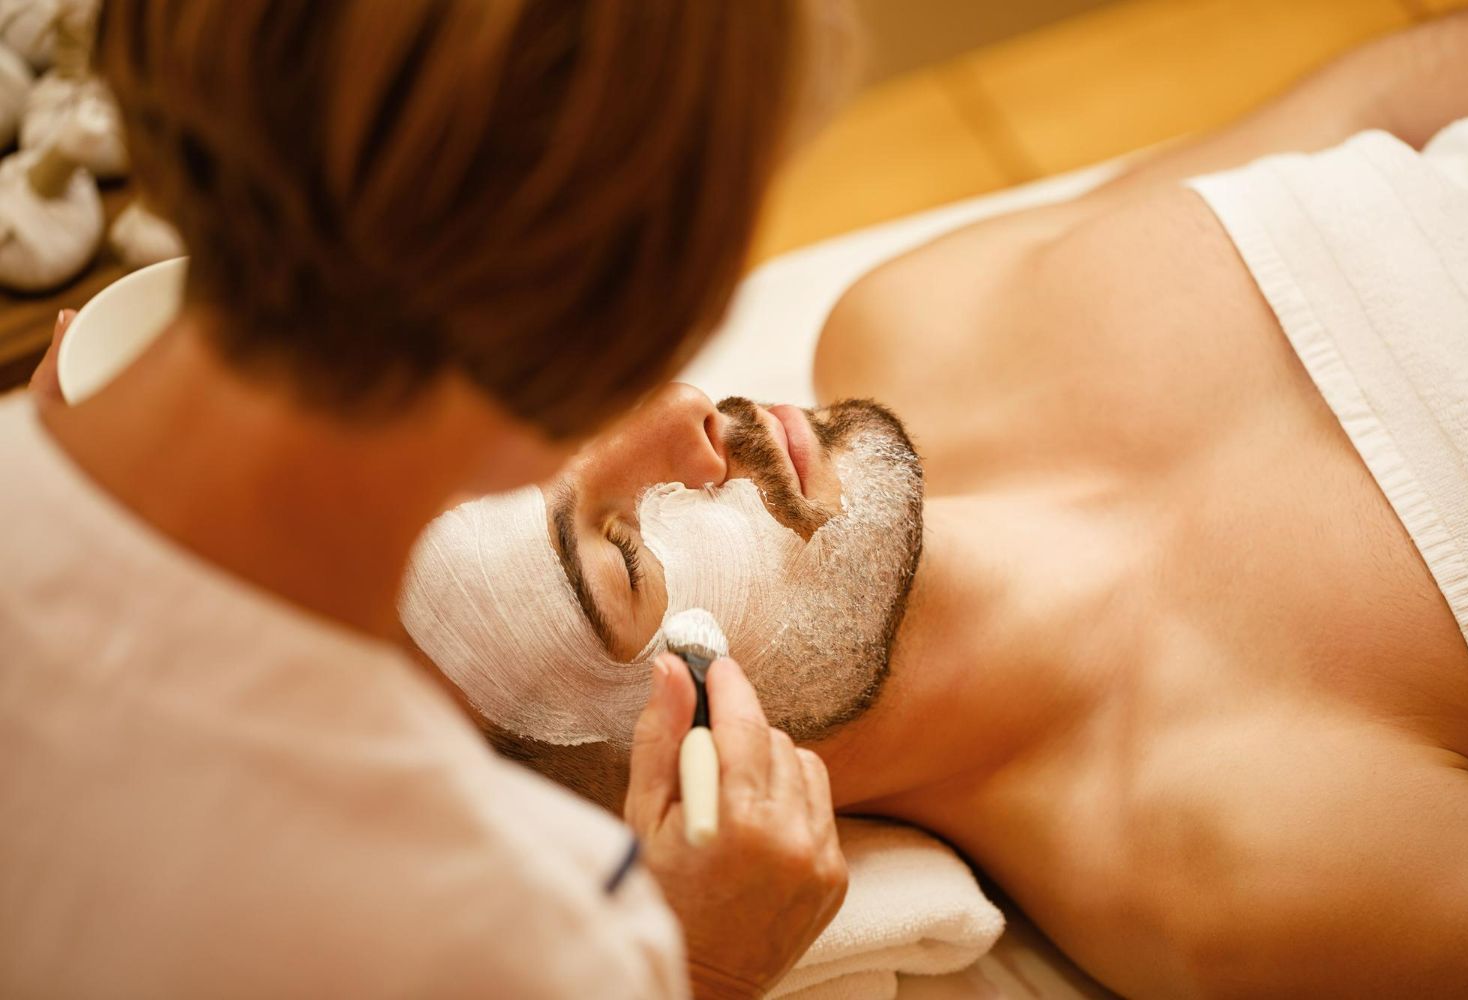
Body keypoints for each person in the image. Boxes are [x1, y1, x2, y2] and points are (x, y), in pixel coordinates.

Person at [399, 6, 1468, 997]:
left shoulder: (922, 319)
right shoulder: (1230, 857)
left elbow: (1387, 95)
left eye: (576, 418)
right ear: (673, 780)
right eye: (620, 552)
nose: (683, 411)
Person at [0, 2, 856, 997]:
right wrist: (701, 964)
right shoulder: (517, 929)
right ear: (615, 323)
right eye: (613, 556)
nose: (698, 424)